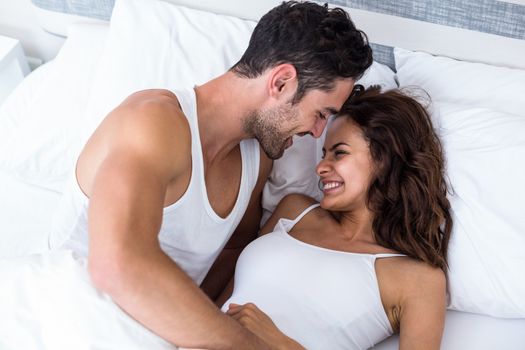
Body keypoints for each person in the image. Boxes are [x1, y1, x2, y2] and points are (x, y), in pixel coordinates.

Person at [47, 1, 373, 349]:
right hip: (68, 318)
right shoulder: (154, 124)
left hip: (155, 333)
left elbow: (233, 248)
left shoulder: (257, 157)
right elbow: (115, 264)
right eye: (321, 113)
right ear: (281, 82)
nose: (317, 131)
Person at [222, 85, 453, 350]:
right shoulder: (294, 211)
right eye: (324, 154)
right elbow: (218, 304)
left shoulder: (418, 279)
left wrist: (281, 345)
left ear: (386, 160)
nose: (320, 168)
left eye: (339, 153)